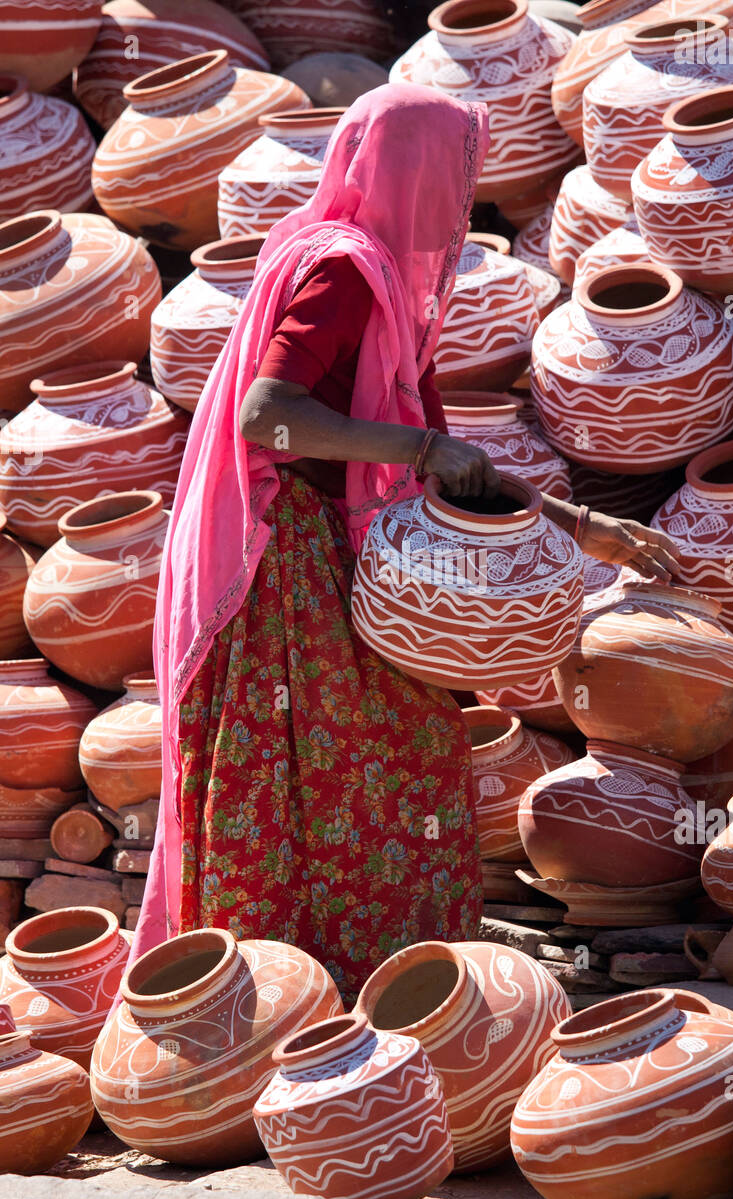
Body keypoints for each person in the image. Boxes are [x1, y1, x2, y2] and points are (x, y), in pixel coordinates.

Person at [133, 84, 681, 1002]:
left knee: (399, 760)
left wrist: (578, 527)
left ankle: (388, 994)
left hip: (348, 555)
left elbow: (440, 464)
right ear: (411, 173)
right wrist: (420, 447)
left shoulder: (377, 279)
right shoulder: (343, 272)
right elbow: (269, 418)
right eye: (452, 175)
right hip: (290, 569)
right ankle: (297, 1001)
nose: (457, 204)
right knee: (336, 773)